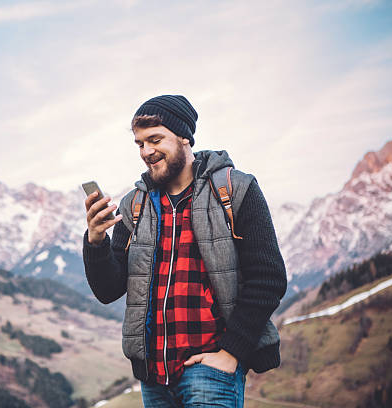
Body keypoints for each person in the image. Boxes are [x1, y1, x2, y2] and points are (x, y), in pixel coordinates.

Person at [82, 95, 287, 407]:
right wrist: (96, 241)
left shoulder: (235, 189)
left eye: (155, 139)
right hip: (154, 378)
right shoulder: (133, 205)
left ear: (184, 138)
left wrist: (232, 353)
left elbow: (269, 278)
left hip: (212, 372)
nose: (146, 152)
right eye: (139, 143)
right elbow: (109, 289)